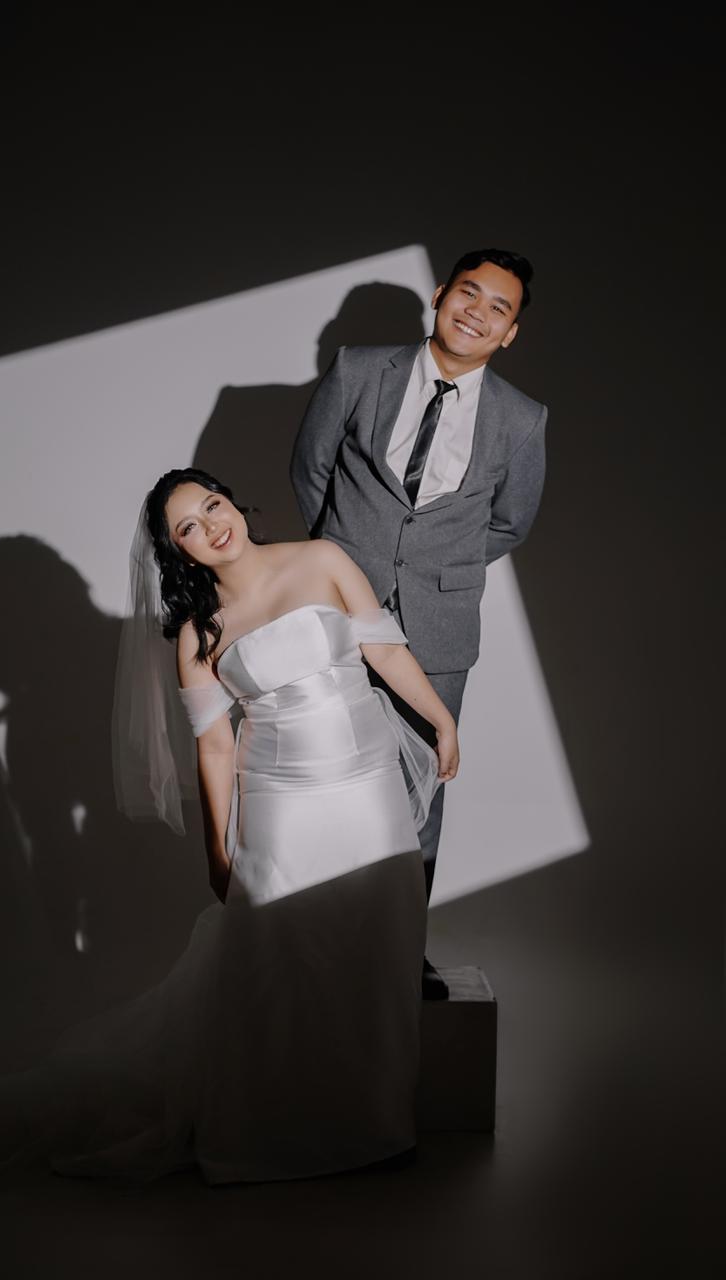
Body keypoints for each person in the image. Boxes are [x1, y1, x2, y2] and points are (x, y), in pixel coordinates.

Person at [0, 467, 459, 1188]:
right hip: (281, 804)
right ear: (178, 551)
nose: (212, 526)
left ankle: (379, 1125)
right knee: (290, 964)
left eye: (212, 505)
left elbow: (385, 651)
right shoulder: (194, 634)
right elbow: (214, 748)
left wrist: (439, 719)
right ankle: (276, 1129)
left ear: (233, 503)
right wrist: (218, 849)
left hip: (368, 786)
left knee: (379, 945)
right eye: (188, 527)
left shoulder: (323, 558)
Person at [290, 247, 547, 999]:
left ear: (510, 333)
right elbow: (311, 470)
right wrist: (345, 571)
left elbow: (510, 523)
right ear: (439, 295)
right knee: (319, 779)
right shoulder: (359, 370)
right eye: (469, 293)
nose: (477, 313)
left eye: (498, 308)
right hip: (337, 614)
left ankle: (397, 955)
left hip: (439, 628)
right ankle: (312, 950)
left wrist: (435, 574)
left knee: (420, 793)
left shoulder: (522, 420)